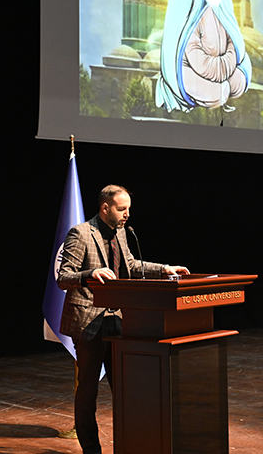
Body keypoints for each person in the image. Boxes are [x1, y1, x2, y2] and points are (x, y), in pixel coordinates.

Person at [57, 184, 190, 454]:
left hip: (117, 321)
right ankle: (91, 450)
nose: (127, 214)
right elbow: (63, 277)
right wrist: (90, 274)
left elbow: (132, 266)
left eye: (128, 208)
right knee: (88, 393)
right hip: (88, 322)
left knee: (125, 389)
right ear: (105, 208)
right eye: (121, 209)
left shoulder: (121, 233)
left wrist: (164, 269)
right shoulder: (81, 233)